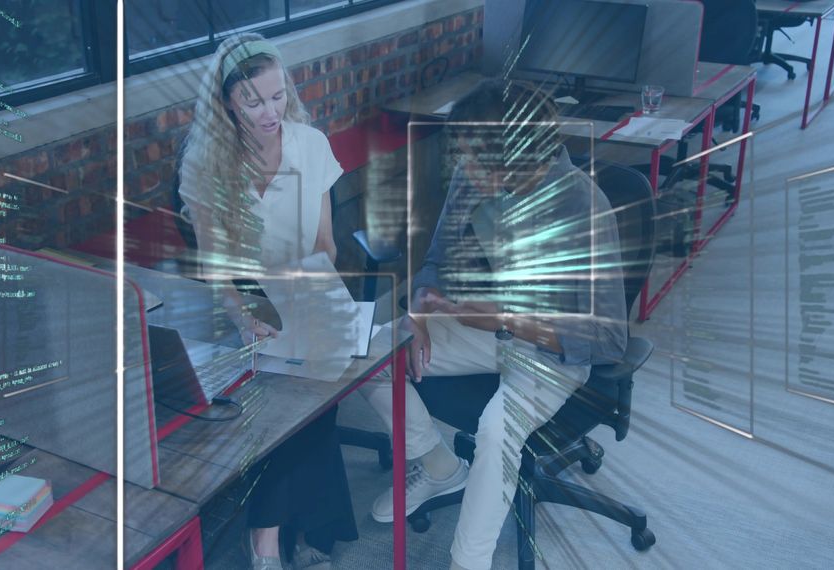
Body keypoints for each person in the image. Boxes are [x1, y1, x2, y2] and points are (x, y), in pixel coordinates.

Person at [359, 79, 628, 570]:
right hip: (481, 327)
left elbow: (609, 338)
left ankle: (468, 562)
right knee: (371, 351)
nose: (461, 165)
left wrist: (508, 319)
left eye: (472, 157)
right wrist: (419, 309)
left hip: (551, 351)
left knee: (495, 429)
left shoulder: (582, 207)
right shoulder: (473, 177)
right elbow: (436, 259)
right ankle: (440, 467)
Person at [178, 33, 353, 570]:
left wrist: (319, 303)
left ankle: (267, 541)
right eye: (253, 101)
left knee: (313, 392)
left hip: (311, 292)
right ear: (227, 101)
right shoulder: (205, 165)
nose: (270, 110)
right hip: (247, 309)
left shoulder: (311, 143)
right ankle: (294, 537)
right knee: (293, 405)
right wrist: (244, 317)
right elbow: (214, 268)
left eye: (277, 96)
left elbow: (326, 245)